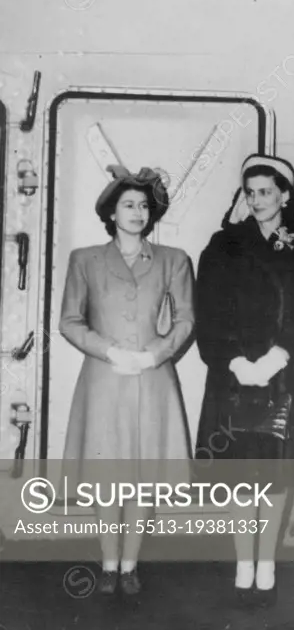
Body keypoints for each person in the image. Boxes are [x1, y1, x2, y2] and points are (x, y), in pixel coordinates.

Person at [193, 153, 294, 607]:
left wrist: (279, 355)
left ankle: (268, 565)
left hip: (284, 375)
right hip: (233, 377)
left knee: (274, 474)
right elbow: (209, 309)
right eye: (250, 192)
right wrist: (234, 361)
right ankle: (243, 565)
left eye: (266, 191)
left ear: (286, 195)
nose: (257, 200)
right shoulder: (224, 245)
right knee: (241, 475)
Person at [60, 165, 195, 597]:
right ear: (111, 213)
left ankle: (130, 566)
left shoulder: (174, 260)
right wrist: (111, 351)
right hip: (105, 378)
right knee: (108, 475)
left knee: (141, 476)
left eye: (143, 205)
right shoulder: (85, 259)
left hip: (153, 379)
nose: (137, 212)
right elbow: (69, 321)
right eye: (128, 205)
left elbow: (186, 319)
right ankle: (108, 563)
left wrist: (154, 354)